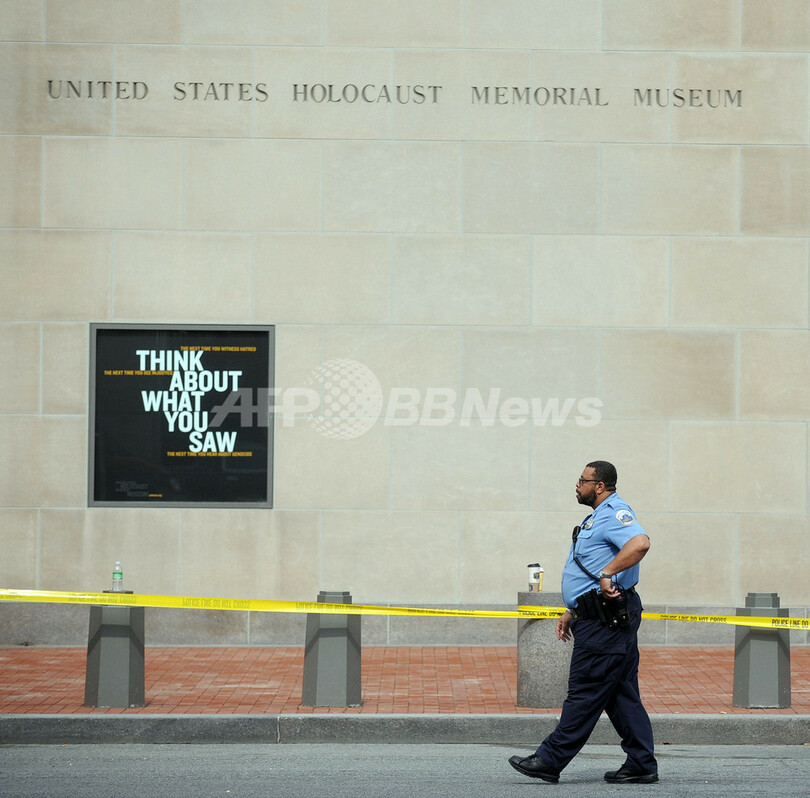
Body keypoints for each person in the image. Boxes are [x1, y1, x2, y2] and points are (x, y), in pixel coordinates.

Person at [508, 460, 658, 784]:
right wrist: (573, 609)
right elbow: (588, 572)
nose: (577, 485)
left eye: (583, 480)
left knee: (586, 690)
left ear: (599, 486)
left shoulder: (616, 513)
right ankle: (642, 762)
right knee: (620, 693)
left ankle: (550, 759)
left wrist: (608, 573)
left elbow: (640, 543)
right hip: (595, 616)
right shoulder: (597, 517)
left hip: (605, 625)